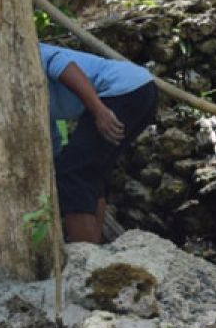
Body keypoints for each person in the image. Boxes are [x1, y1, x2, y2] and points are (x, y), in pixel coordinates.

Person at [40, 42, 158, 244]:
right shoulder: (22, 97)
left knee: (73, 171)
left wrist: (98, 110)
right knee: (90, 170)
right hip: (141, 90)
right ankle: (93, 250)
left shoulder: (21, 47)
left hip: (122, 90)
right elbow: (50, 134)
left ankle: (83, 253)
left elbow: (62, 64)